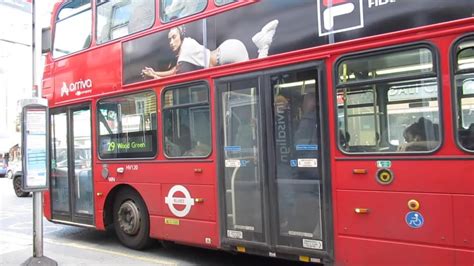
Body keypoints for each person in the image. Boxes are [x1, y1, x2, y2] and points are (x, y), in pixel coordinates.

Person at [141, 20, 279, 78]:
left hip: (224, 56)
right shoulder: (188, 43)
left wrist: (155, 74)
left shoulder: (185, 50)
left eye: (174, 37)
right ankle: (263, 45)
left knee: (255, 75)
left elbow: (173, 72)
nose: (171, 42)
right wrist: (156, 73)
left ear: (181, 36)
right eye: (169, 39)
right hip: (227, 49)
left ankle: (263, 45)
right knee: (254, 72)